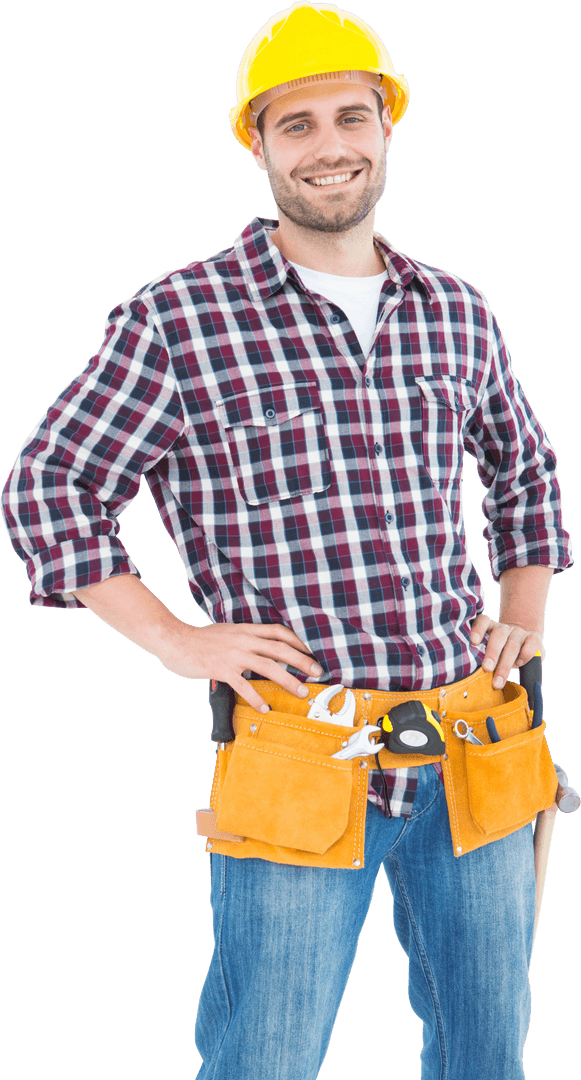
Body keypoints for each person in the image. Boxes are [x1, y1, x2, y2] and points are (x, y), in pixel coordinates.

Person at [1, 2, 574, 1077]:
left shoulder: (456, 309)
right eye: (295, 123)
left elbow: (527, 468)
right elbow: (50, 485)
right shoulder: (178, 317)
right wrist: (176, 639)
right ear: (256, 145)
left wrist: (521, 620)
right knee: (265, 1058)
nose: (329, 146)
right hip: (300, 753)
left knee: (489, 1053)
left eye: (349, 116)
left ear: (386, 128)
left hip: (475, 745)